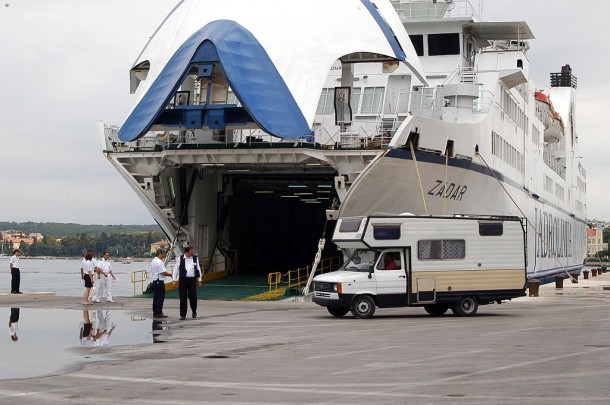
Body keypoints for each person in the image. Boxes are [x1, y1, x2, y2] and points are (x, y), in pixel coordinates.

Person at [172, 246, 202, 320]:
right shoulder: (180, 258)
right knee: (183, 297)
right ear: (187, 251)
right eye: (191, 251)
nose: (193, 253)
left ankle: (194, 311)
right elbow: (176, 269)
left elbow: (198, 269)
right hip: (183, 280)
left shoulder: (195, 258)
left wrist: (199, 280)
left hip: (192, 280)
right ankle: (183, 315)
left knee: (193, 297)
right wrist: (174, 280)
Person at [151, 248, 172, 319]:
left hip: (155, 280)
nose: (164, 255)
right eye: (163, 254)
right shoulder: (160, 262)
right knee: (160, 297)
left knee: (156, 297)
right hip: (159, 281)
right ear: (160, 253)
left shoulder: (153, 261)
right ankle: (159, 312)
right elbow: (163, 272)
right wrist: (171, 275)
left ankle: (155, 312)